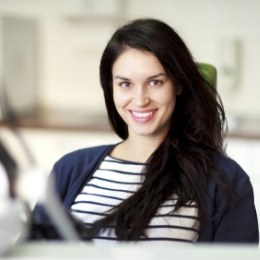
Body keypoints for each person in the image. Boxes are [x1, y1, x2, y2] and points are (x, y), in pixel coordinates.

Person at [36, 18, 259, 244]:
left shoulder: (226, 180)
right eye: (125, 84)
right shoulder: (69, 169)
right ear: (110, 88)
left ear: (178, 84)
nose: (140, 100)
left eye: (155, 82)